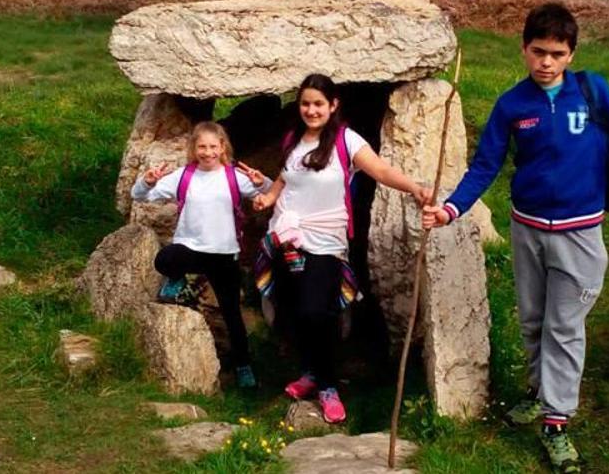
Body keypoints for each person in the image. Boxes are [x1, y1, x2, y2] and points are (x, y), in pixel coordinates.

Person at [422, 3, 609, 473]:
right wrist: (450, 208)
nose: (546, 62)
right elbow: (486, 164)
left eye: (557, 53)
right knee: (533, 320)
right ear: (524, 49)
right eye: (538, 51)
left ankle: (556, 422)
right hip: (527, 227)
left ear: (572, 54)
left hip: (581, 229)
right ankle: (538, 389)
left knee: (565, 326)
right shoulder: (512, 105)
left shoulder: (593, 90)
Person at [251, 73, 432, 424]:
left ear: (333, 105)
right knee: (292, 309)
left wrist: (413, 187)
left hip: (326, 242)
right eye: (305, 103)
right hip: (286, 237)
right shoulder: (293, 139)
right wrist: (267, 198)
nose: (311, 110)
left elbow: (379, 169)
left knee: (317, 312)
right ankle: (310, 373)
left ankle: (328, 385)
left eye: (319, 103)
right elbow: (285, 178)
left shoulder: (346, 140)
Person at [132, 121, 271, 389]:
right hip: (191, 249)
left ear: (222, 148)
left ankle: (244, 367)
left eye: (213, 147)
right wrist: (146, 181)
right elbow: (140, 196)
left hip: (223, 253)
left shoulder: (233, 176)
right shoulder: (184, 176)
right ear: (194, 149)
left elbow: (271, 193)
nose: (207, 152)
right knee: (165, 259)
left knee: (232, 314)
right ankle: (177, 280)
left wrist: (261, 181)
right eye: (202, 147)